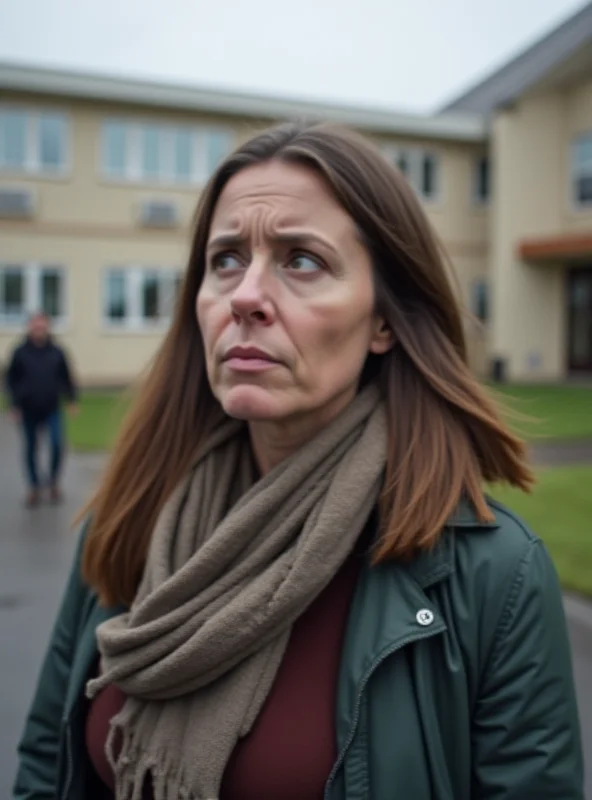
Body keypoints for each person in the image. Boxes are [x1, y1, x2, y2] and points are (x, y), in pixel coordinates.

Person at [13, 122, 583, 800]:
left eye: (301, 260)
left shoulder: (494, 578)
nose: (245, 296)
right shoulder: (127, 525)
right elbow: (45, 772)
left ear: (384, 321)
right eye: (225, 259)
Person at [5, 311, 78, 506]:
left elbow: (67, 377)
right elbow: (10, 380)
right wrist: (13, 405)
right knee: (30, 448)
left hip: (52, 407)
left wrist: (71, 400)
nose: (39, 329)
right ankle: (34, 486)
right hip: (28, 408)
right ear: (30, 327)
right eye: (35, 326)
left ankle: (53, 481)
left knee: (56, 444)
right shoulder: (20, 352)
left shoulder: (56, 352)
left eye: (42, 325)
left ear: (47, 327)